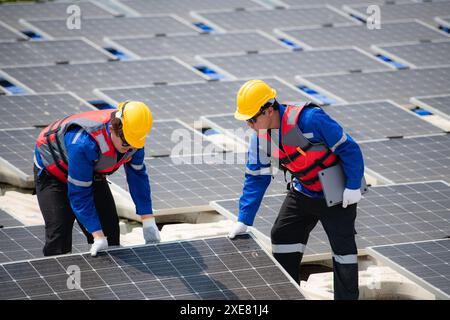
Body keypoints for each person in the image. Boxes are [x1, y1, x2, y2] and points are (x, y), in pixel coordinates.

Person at [228, 80, 364, 300]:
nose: (250, 126)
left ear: (269, 110)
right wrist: (244, 219)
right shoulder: (260, 138)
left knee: (343, 252)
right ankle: (289, 294)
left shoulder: (309, 119)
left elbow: (349, 148)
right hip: (303, 191)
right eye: (246, 121)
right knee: (282, 235)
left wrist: (353, 185)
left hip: (337, 194)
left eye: (252, 119)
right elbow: (256, 177)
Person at [34, 101, 160, 257]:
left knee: (111, 234)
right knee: (59, 234)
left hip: (90, 172)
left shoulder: (133, 137)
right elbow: (79, 194)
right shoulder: (84, 143)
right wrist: (97, 235)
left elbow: (138, 176)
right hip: (54, 174)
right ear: (113, 128)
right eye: (126, 142)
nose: (129, 148)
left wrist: (148, 220)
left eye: (134, 144)